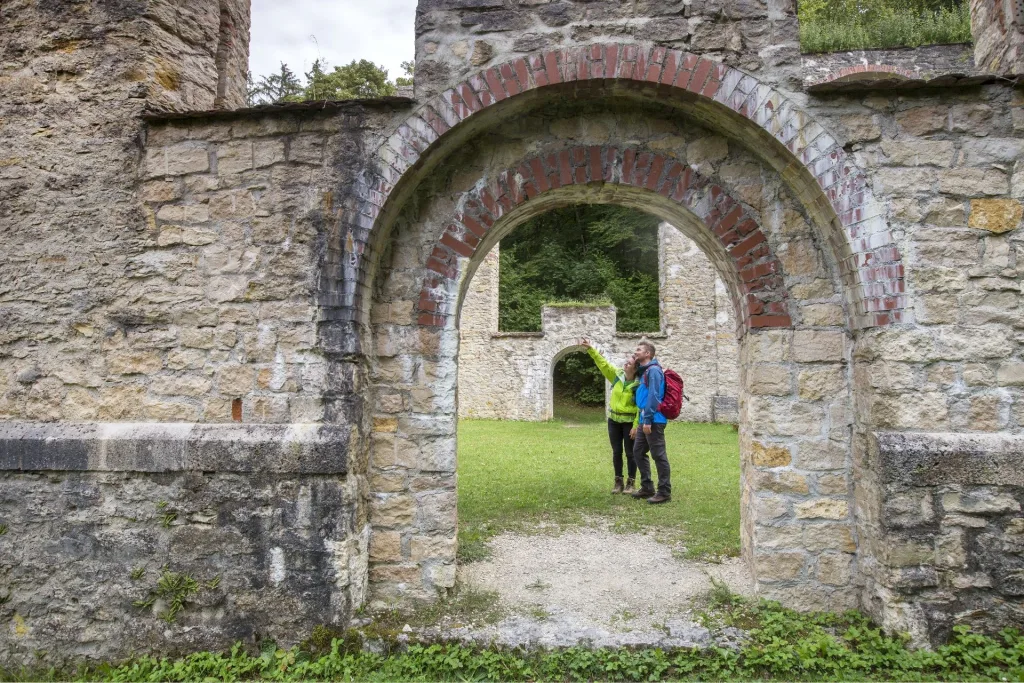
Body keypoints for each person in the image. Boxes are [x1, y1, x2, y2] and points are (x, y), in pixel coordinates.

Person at [579, 338, 640, 494]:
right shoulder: (617, 376)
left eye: (629, 363)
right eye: (626, 362)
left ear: (636, 367)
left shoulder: (639, 384)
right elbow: (603, 364)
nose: (626, 364)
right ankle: (618, 482)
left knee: (630, 453)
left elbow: (642, 407)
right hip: (613, 421)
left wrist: (636, 426)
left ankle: (631, 483)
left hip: (628, 422)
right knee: (616, 451)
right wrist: (591, 349)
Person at [631, 340, 671, 504]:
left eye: (639, 349)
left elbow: (654, 396)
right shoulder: (644, 371)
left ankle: (664, 492)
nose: (636, 352)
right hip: (644, 418)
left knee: (659, 455)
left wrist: (647, 420)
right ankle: (647, 487)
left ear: (648, 354)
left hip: (653, 419)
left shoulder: (654, 370)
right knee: (638, 451)